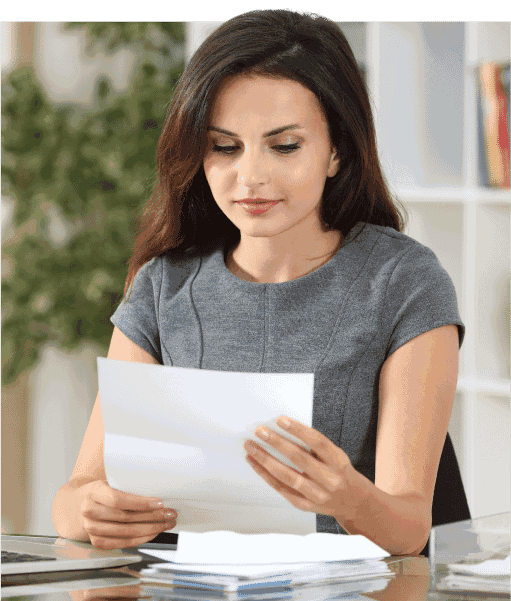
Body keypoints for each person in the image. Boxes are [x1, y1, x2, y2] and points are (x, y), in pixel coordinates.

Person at [52, 10, 470, 555]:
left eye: (285, 146)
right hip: (187, 588)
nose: (251, 177)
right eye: (225, 147)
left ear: (337, 149)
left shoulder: (404, 283)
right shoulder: (163, 286)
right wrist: (89, 510)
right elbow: (74, 496)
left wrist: (347, 497)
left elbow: (410, 527)